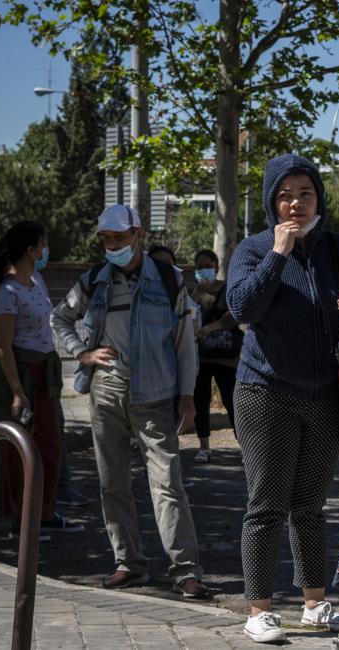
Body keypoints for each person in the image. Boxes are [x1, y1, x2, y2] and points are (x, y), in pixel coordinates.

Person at [226, 154, 339, 644]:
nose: (296, 203)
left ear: (320, 198)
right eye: (286, 194)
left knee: (311, 506)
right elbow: (241, 307)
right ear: (273, 201)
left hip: (325, 394)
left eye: (306, 193)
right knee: (267, 503)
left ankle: (315, 603)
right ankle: (260, 610)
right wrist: (277, 254)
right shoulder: (253, 249)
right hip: (264, 391)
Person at [50, 204, 209, 599]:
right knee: (113, 484)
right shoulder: (93, 282)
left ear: (138, 234)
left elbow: (184, 345)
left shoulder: (170, 281)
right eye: (106, 238)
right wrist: (82, 354)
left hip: (156, 396)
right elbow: (59, 319)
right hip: (106, 393)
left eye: (119, 237)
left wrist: (188, 397)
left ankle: (186, 570)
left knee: (168, 485)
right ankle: (129, 564)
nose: (112, 244)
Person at [0, 222, 83, 540]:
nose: (46, 251)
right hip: (22, 376)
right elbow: (3, 346)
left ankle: (45, 511)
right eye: (43, 244)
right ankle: (19, 520)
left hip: (44, 374)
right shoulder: (6, 291)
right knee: (18, 449)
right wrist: (16, 391)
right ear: (31, 249)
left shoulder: (35, 279)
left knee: (50, 446)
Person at [190, 248, 242, 462]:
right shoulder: (195, 293)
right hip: (200, 357)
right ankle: (204, 447)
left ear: (216, 267)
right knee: (200, 402)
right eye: (200, 266)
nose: (204, 270)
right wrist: (196, 295)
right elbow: (187, 314)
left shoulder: (227, 289)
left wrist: (212, 327)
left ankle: (245, 446)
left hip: (225, 357)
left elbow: (235, 315)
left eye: (207, 266)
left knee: (232, 401)